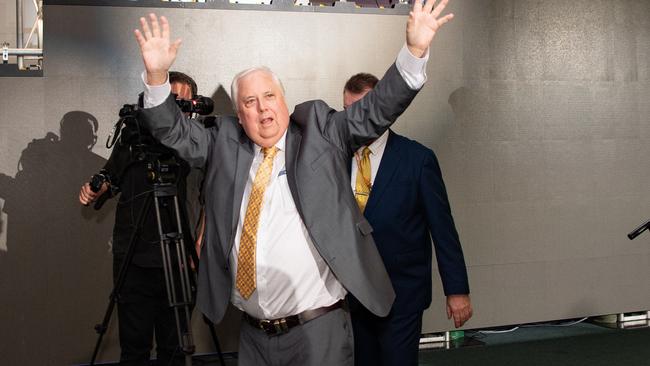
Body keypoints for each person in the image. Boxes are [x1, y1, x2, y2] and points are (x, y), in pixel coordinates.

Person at [132, 1, 454, 364]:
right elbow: (171, 131)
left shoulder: (322, 133)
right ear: (240, 116)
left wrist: (413, 52)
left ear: (285, 103)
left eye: (270, 96)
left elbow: (377, 109)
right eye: (250, 102)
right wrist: (157, 76)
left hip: (318, 333)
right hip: (253, 335)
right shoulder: (223, 143)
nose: (262, 108)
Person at [343, 72, 472, 366]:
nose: (352, 119)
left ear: (382, 109)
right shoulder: (336, 158)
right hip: (353, 298)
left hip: (401, 296)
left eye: (361, 110)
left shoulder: (417, 160)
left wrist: (457, 290)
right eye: (347, 111)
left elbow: (443, 229)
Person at [78, 71, 200, 366]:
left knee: (173, 347)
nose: (169, 110)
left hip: (177, 258)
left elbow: (217, 194)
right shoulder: (133, 138)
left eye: (179, 103)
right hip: (133, 258)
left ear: (192, 107)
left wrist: (199, 244)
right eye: (165, 102)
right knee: (134, 349)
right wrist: (96, 189)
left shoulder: (194, 143)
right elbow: (112, 175)